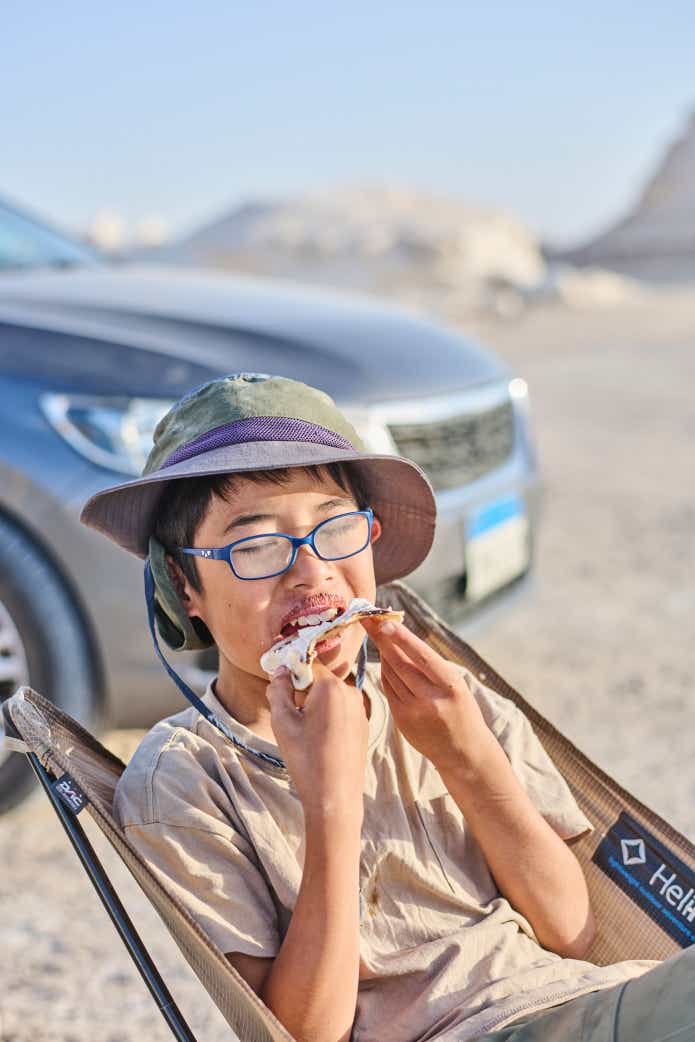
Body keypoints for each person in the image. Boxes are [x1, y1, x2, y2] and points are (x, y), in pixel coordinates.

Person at [82, 373, 695, 1042]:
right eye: (256, 544)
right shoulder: (185, 779)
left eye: (336, 528)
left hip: (589, 1001)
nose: (312, 571)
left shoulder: (443, 703)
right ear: (181, 584)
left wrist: (465, 755)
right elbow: (301, 1034)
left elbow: (570, 930)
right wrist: (330, 797)